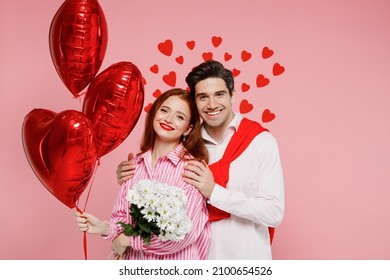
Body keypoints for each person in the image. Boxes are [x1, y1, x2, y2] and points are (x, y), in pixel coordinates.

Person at [116, 60, 284, 259]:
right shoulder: (184, 144)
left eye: (219, 95)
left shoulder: (261, 142)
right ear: (194, 102)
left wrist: (214, 192)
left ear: (232, 95)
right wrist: (128, 174)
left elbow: (273, 212)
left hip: (247, 257)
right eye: (203, 97)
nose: (212, 105)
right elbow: (155, 191)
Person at [75, 88, 211, 260]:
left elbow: (183, 236)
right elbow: (123, 218)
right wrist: (105, 228)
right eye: (164, 110)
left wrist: (128, 241)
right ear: (154, 113)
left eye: (179, 117)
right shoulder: (134, 166)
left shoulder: (192, 170)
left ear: (187, 129)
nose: (168, 119)